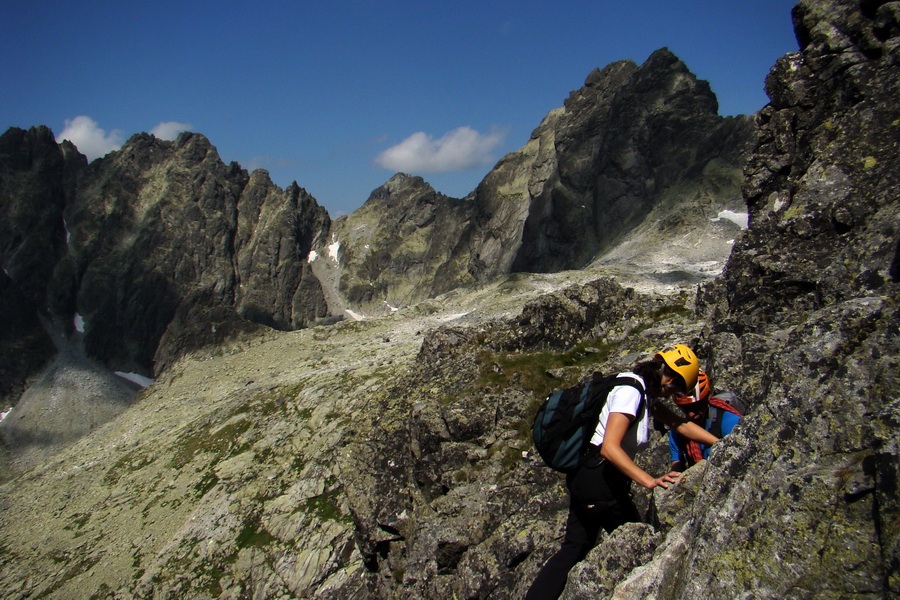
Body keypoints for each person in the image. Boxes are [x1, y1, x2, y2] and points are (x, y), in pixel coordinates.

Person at [524, 344, 720, 600]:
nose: (673, 396)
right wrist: (649, 481)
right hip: (601, 482)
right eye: (676, 389)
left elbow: (680, 425)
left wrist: (721, 445)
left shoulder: (638, 390)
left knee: (574, 549)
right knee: (640, 547)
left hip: (587, 478)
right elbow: (610, 448)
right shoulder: (631, 392)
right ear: (670, 379)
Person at [668, 370, 742, 472]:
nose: (691, 414)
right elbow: (676, 462)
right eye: (685, 408)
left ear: (707, 398)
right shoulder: (678, 431)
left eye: (695, 406)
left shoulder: (727, 420)